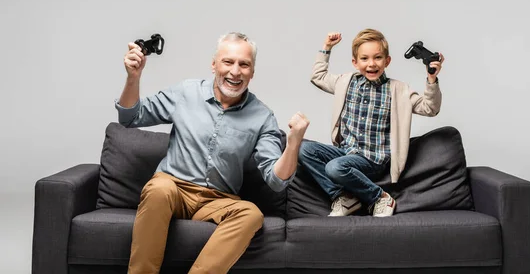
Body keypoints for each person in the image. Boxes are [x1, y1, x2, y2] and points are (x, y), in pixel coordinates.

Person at [116, 32, 310, 274]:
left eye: (244, 64)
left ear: (252, 72)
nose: (235, 72)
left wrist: (292, 146)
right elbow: (130, 117)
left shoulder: (263, 117)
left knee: (251, 214)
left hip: (218, 200)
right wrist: (133, 78)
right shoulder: (186, 93)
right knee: (158, 189)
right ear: (214, 64)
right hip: (173, 188)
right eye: (228, 62)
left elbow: (276, 180)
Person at [298, 29, 443, 217]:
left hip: (373, 160)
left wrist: (432, 79)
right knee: (303, 149)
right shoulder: (346, 82)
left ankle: (380, 197)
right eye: (364, 59)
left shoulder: (398, 91)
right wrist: (326, 48)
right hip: (346, 152)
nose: (371, 64)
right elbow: (318, 77)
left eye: (378, 58)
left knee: (335, 167)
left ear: (387, 61)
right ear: (355, 62)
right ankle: (344, 197)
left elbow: (430, 108)